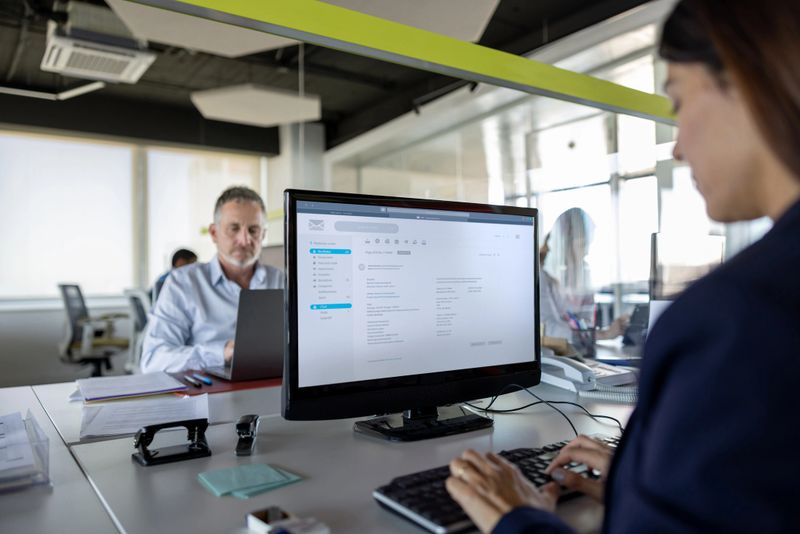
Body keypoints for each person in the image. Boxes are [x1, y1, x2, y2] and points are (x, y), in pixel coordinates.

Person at [445, 1, 800, 532]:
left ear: (747, 80)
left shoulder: (736, 318)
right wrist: (648, 484)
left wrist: (516, 520)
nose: (677, 147)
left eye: (678, 101)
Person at [140, 186, 284, 373]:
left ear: (263, 234)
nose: (245, 240)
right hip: (207, 395)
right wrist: (221, 353)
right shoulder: (182, 283)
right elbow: (153, 360)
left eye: (253, 230)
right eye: (234, 229)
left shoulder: (282, 281)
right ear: (214, 233)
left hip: (271, 388)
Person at [539, 208, 628, 341]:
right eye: (582, 244)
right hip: (550, 354)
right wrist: (604, 334)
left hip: (577, 350)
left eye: (587, 244)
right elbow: (546, 329)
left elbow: (587, 322)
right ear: (565, 244)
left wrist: (595, 334)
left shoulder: (583, 274)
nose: (586, 251)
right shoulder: (540, 276)